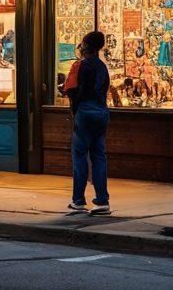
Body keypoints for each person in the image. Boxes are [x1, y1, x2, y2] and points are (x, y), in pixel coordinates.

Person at [68, 30, 111, 215]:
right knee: (99, 156)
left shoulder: (81, 65)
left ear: (85, 45)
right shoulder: (103, 67)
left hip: (85, 111)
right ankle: (102, 201)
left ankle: (78, 201)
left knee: (79, 156)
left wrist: (74, 109)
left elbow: (73, 90)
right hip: (101, 112)